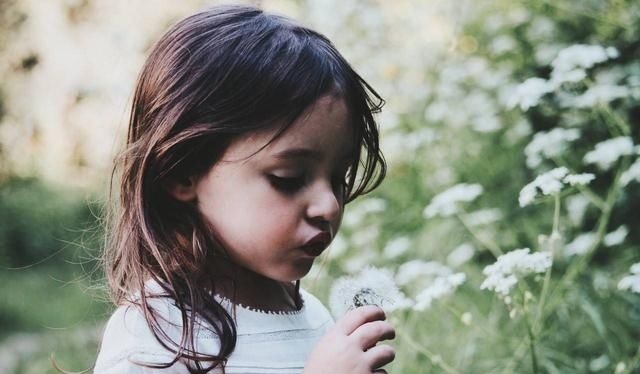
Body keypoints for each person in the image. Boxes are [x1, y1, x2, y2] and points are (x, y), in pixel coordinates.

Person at [94, 4, 394, 374]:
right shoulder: (154, 338)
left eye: (339, 176)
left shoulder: (315, 317)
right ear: (182, 172)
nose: (329, 205)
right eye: (288, 178)